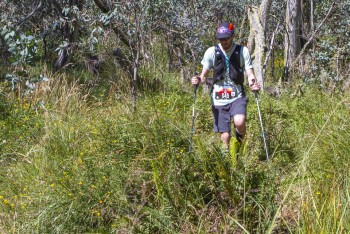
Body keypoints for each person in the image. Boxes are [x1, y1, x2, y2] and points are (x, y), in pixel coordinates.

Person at [192, 22, 261, 152]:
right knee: (225, 137)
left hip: (237, 95)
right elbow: (203, 76)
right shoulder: (211, 52)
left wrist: (253, 83)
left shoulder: (242, 51)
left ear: (232, 36)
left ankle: (239, 148)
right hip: (218, 98)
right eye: (221, 39)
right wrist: (198, 80)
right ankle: (228, 163)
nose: (224, 41)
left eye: (226, 38)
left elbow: (250, 73)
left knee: (240, 122)